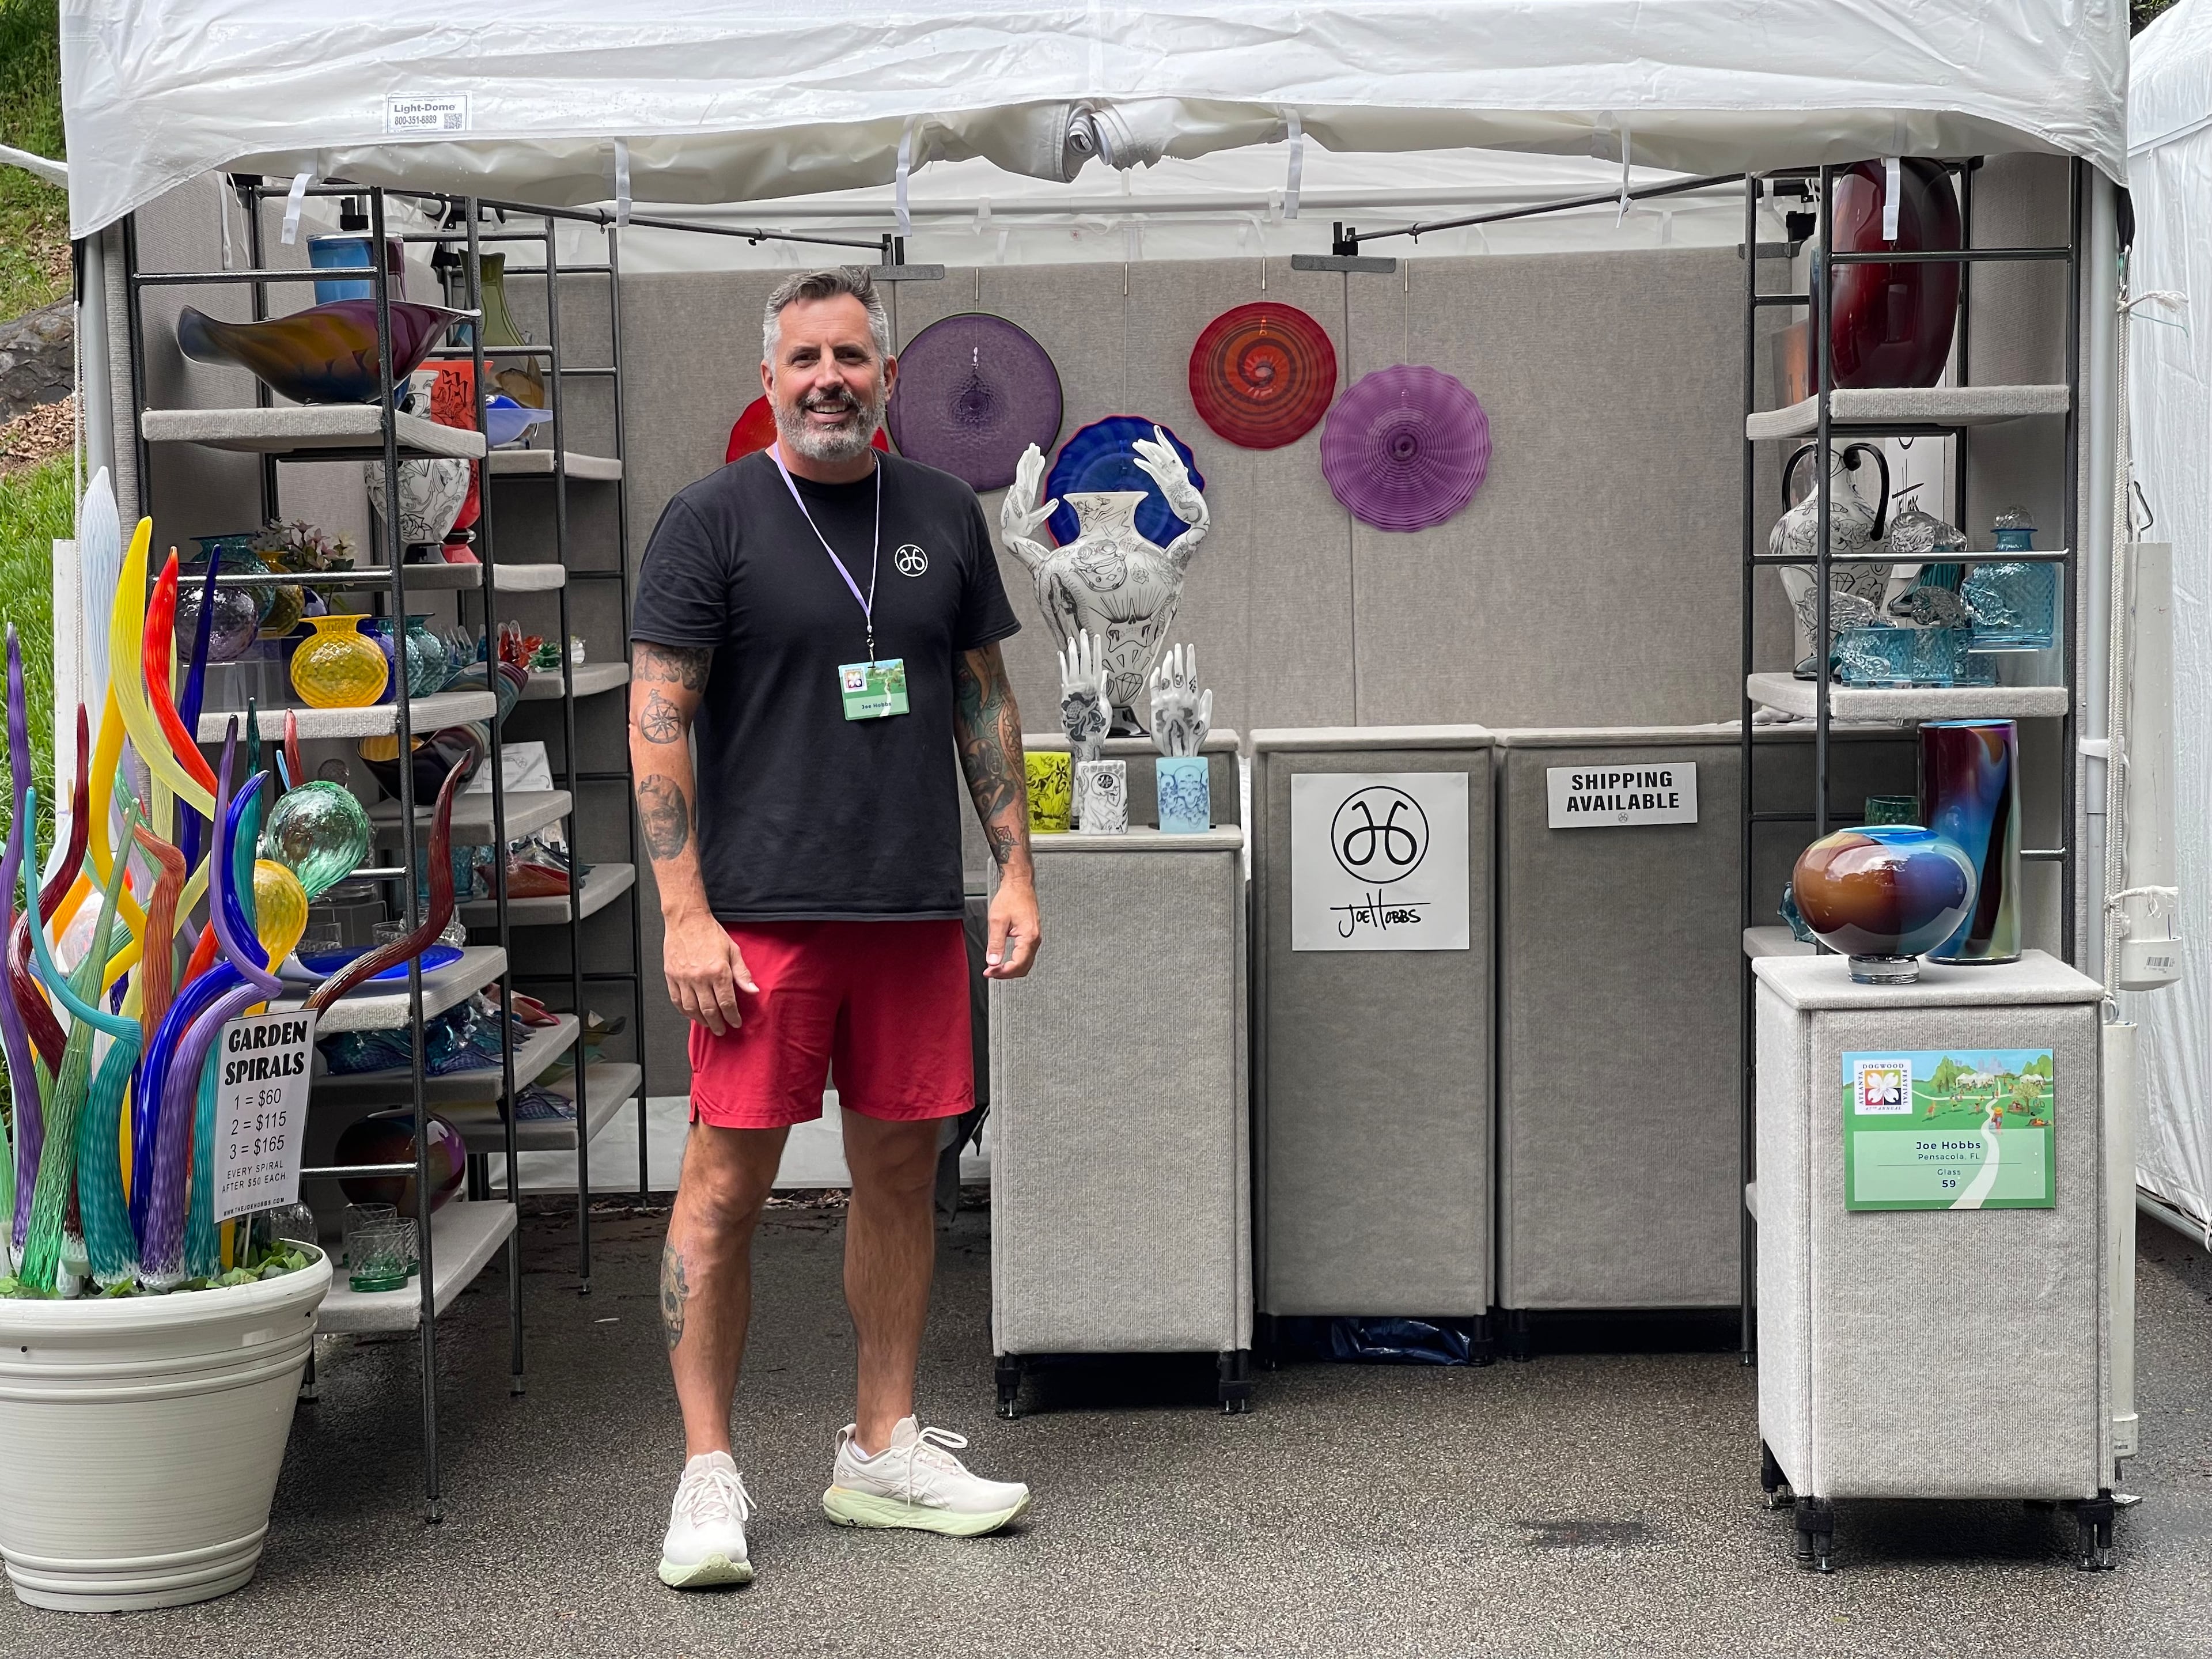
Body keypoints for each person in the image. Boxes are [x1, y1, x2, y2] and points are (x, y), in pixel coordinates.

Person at [627, 267, 1041, 1589]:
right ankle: (705, 1476)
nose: (828, 380)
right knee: (727, 1189)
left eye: (852, 358)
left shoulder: (943, 516)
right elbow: (655, 719)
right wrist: (684, 914)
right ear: (768, 378)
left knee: (903, 1176)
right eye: (804, 358)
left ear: (889, 378)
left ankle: (882, 1446)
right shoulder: (713, 521)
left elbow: (985, 699)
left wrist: (1016, 870)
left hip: (911, 910)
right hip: (759, 927)